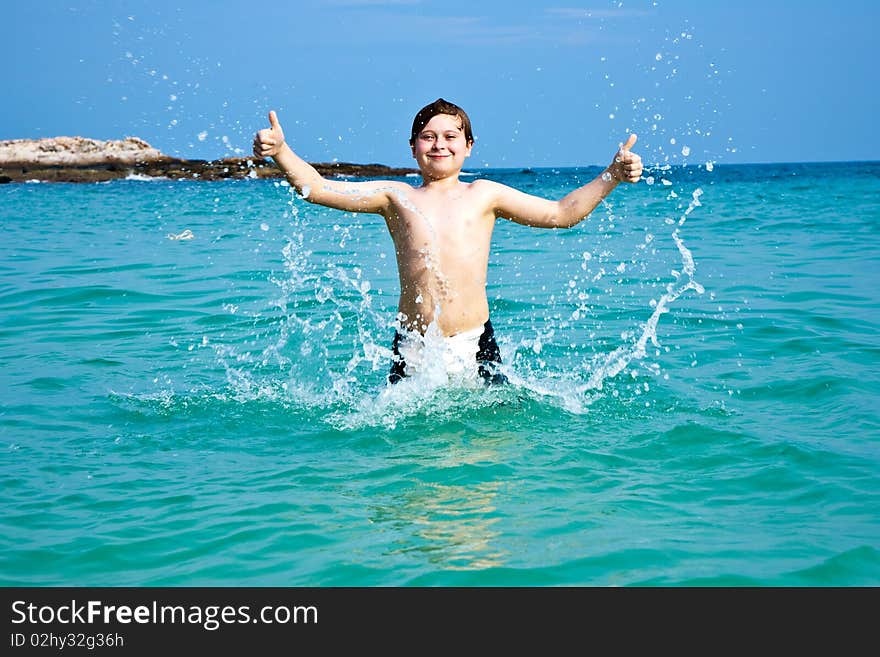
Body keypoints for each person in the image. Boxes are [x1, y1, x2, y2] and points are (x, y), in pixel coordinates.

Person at [253, 98, 643, 386]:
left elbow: (562, 213)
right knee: (408, 449)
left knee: (489, 446)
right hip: (414, 346)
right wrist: (282, 152)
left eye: (450, 136)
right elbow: (317, 188)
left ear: (468, 145)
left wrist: (612, 174)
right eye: (428, 137)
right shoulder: (395, 197)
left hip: (476, 345)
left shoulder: (485, 194)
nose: (439, 144)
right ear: (412, 147)